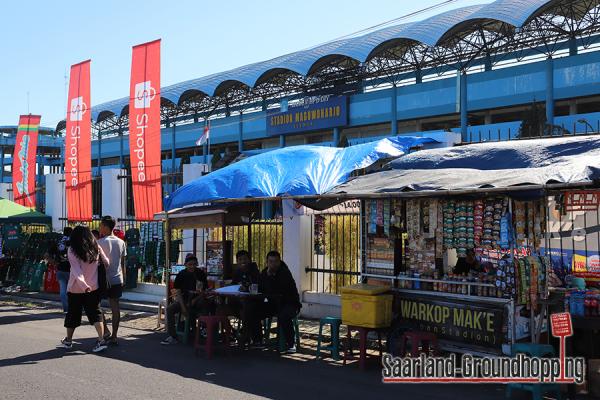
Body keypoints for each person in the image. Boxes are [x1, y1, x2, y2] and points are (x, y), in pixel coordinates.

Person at [57, 225, 110, 353]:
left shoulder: (72, 250)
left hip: (76, 288)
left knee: (73, 315)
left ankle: (68, 341)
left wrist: (83, 285)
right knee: (96, 314)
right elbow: (107, 262)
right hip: (94, 287)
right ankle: (101, 339)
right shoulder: (96, 247)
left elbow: (76, 270)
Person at [161, 254, 209, 345]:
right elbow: (178, 292)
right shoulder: (181, 274)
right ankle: (173, 336)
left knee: (204, 305)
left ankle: (203, 332)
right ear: (185, 265)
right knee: (170, 309)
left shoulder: (200, 274)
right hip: (184, 300)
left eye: (194, 264)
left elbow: (204, 291)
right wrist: (183, 307)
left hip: (198, 300)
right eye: (190, 264)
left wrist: (194, 300)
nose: (192, 266)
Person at [259, 250, 301, 354]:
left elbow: (279, 290)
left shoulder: (284, 272)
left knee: (284, 316)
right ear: (267, 262)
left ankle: (291, 343)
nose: (273, 264)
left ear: (279, 261)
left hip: (289, 303)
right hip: (272, 303)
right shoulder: (264, 272)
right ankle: (257, 339)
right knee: (254, 310)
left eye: (276, 261)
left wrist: (271, 277)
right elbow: (261, 287)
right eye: (271, 261)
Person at [97, 215, 127, 345]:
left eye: (100, 225)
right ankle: (114, 335)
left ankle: (106, 331)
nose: (99, 228)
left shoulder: (99, 242)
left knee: (96, 306)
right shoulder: (121, 242)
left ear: (104, 226)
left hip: (103, 279)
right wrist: (123, 278)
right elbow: (122, 263)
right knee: (115, 307)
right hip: (117, 279)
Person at [231, 250, 262, 347]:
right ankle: (232, 333)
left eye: (245, 259)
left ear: (249, 260)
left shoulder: (254, 270)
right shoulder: (237, 272)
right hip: (238, 301)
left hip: (254, 301)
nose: (242, 261)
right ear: (237, 261)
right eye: (240, 259)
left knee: (247, 309)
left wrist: (247, 287)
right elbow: (234, 284)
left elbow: (257, 285)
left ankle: (248, 335)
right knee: (221, 308)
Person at [56, 227, 73, 313]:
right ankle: (72, 307)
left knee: (63, 290)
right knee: (71, 290)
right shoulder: (72, 242)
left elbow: (51, 254)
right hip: (70, 269)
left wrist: (56, 263)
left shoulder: (59, 242)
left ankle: (65, 308)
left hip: (60, 268)